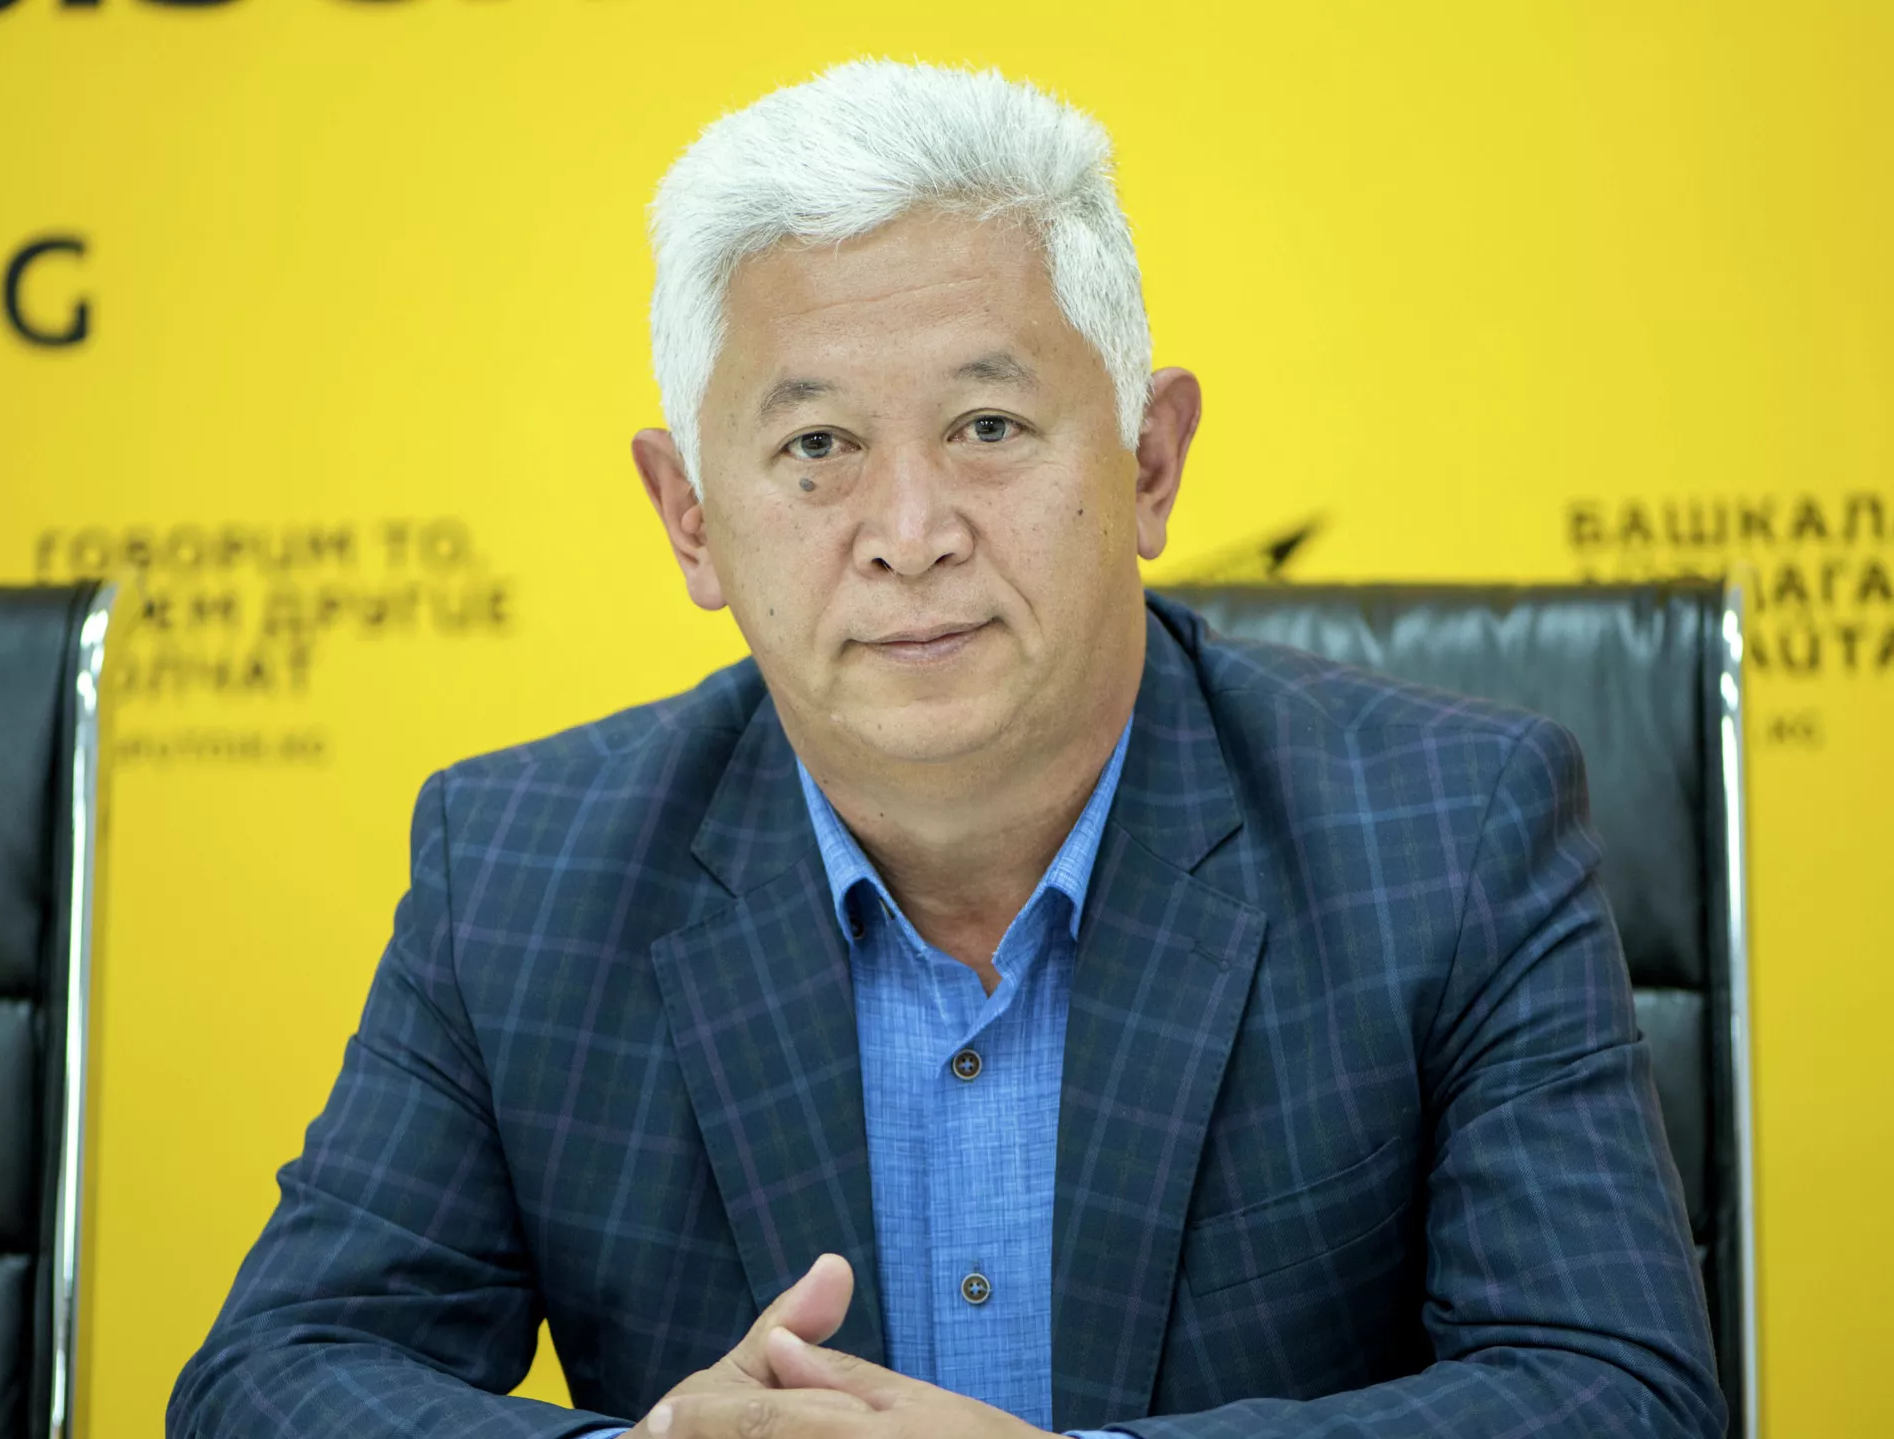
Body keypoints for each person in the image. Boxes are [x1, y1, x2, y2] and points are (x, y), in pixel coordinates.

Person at [169, 60, 1725, 1439]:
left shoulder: (1450, 833)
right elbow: (271, 1377)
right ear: (690, 518)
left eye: (988, 426)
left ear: (1151, 460)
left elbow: (1619, 1389)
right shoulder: (518, 874)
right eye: (817, 447)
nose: (909, 533)